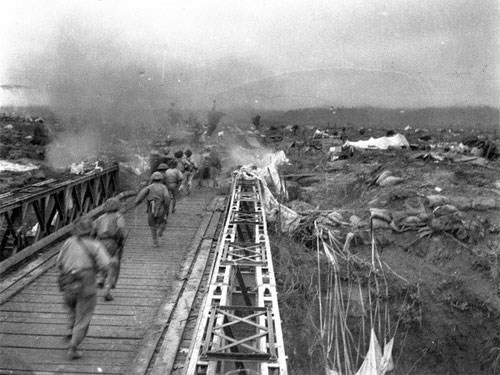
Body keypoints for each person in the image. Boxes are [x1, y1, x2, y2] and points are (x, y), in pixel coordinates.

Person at [56, 216, 110, 360]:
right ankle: (73, 347)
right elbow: (105, 264)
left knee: (71, 307)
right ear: (91, 229)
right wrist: (100, 275)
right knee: (84, 313)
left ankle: (71, 330)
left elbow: (59, 262)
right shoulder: (95, 244)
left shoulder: (68, 242)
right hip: (86, 280)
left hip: (68, 280)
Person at [92, 198, 126, 302]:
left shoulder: (100, 218)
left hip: (100, 241)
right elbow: (120, 230)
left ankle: (100, 278)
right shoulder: (118, 216)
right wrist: (120, 241)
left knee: (101, 261)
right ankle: (107, 289)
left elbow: (93, 231)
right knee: (113, 264)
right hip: (112, 242)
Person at [134, 171, 170, 247]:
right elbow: (167, 197)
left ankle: (155, 243)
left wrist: (137, 202)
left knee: (152, 226)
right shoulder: (163, 187)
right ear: (161, 179)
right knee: (163, 221)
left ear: (152, 179)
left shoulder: (149, 187)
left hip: (151, 208)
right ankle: (160, 230)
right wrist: (166, 207)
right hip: (161, 207)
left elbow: (141, 195)